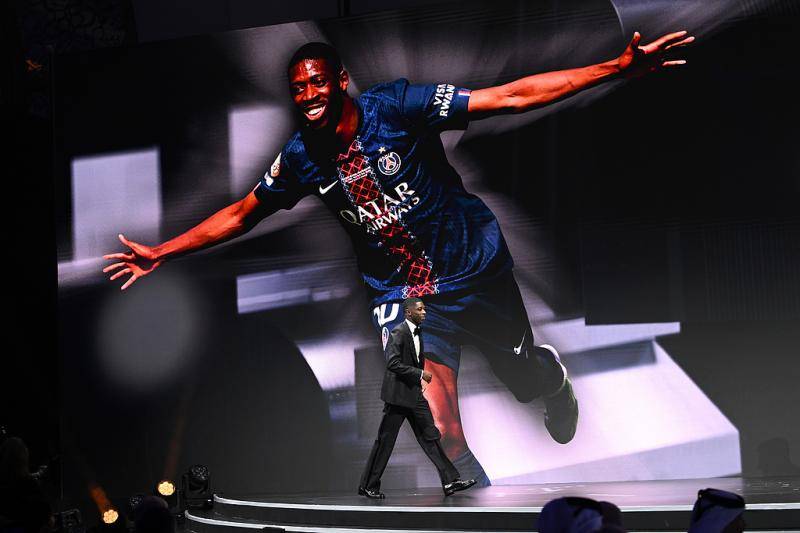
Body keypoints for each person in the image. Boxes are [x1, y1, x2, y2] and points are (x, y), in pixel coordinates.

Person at [104, 31, 694, 484]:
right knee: (438, 428)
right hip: (407, 297)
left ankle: (551, 380)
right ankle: (481, 512)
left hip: (474, 269)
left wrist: (615, 68)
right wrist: (162, 252)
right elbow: (241, 213)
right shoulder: (302, 157)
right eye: (298, 89)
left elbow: (510, 96)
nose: (308, 96)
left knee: (522, 377)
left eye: (317, 83)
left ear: (341, 80)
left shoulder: (398, 106)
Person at [359, 297, 476, 498]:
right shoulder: (398, 332)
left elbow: (416, 360)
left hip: (414, 395)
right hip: (397, 396)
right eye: (420, 309)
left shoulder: (418, 332)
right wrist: (420, 374)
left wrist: (418, 381)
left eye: (424, 309)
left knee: (431, 436)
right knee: (385, 441)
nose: (424, 312)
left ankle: (450, 481)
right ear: (408, 312)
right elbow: (393, 363)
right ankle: (369, 485)